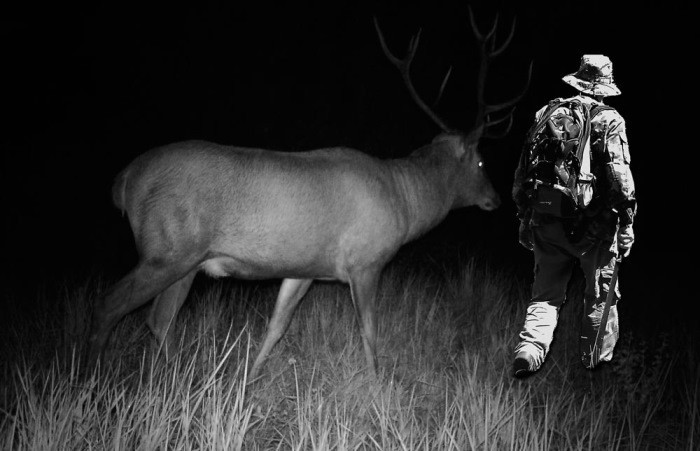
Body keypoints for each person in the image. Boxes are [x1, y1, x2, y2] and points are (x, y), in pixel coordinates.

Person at [511, 55, 636, 377]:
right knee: (601, 296)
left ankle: (530, 349)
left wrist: (525, 217)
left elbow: (523, 170)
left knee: (545, 295)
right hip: (592, 229)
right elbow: (621, 182)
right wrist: (626, 226)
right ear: (604, 88)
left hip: (546, 218)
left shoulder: (546, 112)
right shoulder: (610, 120)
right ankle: (595, 362)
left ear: (578, 80)